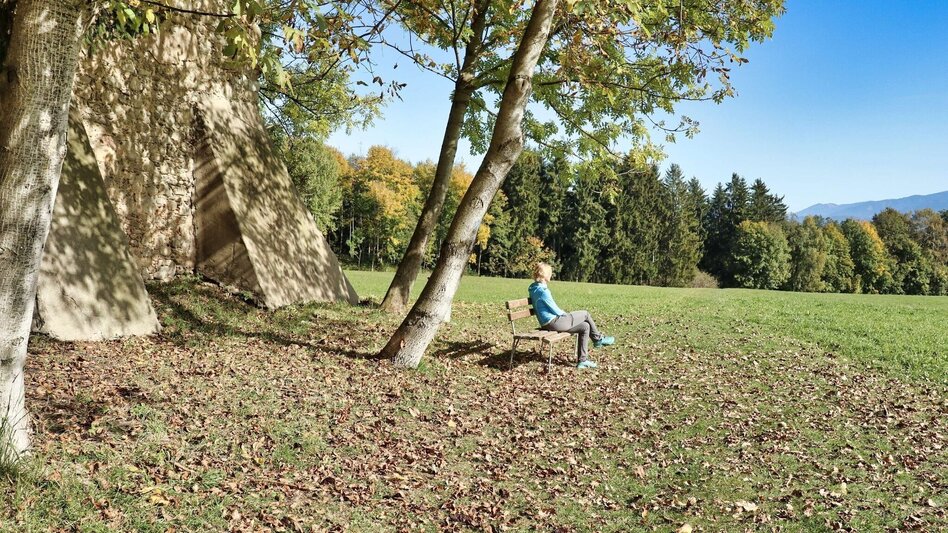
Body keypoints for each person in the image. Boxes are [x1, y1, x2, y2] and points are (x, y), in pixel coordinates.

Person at [528, 262, 614, 369]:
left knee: (585, 327)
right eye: (549, 272)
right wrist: (567, 316)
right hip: (554, 322)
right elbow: (555, 309)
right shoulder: (543, 291)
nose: (551, 274)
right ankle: (598, 340)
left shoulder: (534, 288)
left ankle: (582, 361)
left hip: (547, 323)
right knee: (585, 314)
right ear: (544, 275)